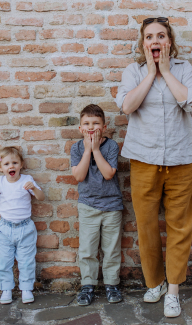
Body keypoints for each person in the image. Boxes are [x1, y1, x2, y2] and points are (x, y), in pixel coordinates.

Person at [115, 17, 192, 318]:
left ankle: (174, 290)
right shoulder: (134, 71)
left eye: (161, 35)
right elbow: (127, 107)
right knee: (147, 225)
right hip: (144, 159)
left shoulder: (184, 70)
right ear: (144, 43)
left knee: (180, 226)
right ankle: (155, 283)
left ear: (170, 41)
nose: (155, 40)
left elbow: (191, 103)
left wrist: (165, 72)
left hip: (182, 159)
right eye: (150, 36)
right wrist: (151, 73)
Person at [70, 104, 123, 306]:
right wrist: (87, 151)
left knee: (111, 249)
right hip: (88, 206)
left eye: (96, 123)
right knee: (88, 249)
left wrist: (95, 149)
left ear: (105, 126)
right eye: (86, 123)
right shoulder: (76, 148)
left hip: (111, 206)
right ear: (80, 128)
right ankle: (88, 285)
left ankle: (111, 284)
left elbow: (108, 174)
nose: (91, 127)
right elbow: (79, 175)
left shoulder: (111, 146)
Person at [0, 146, 45, 305]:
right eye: (7, 164)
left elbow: (41, 197)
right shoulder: (0, 182)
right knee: (4, 261)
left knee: (26, 261)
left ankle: (26, 288)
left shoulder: (26, 180)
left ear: (21, 164)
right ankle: (6, 289)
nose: (11, 166)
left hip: (25, 228)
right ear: (0, 167)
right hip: (5, 228)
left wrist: (34, 189)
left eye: (15, 162)